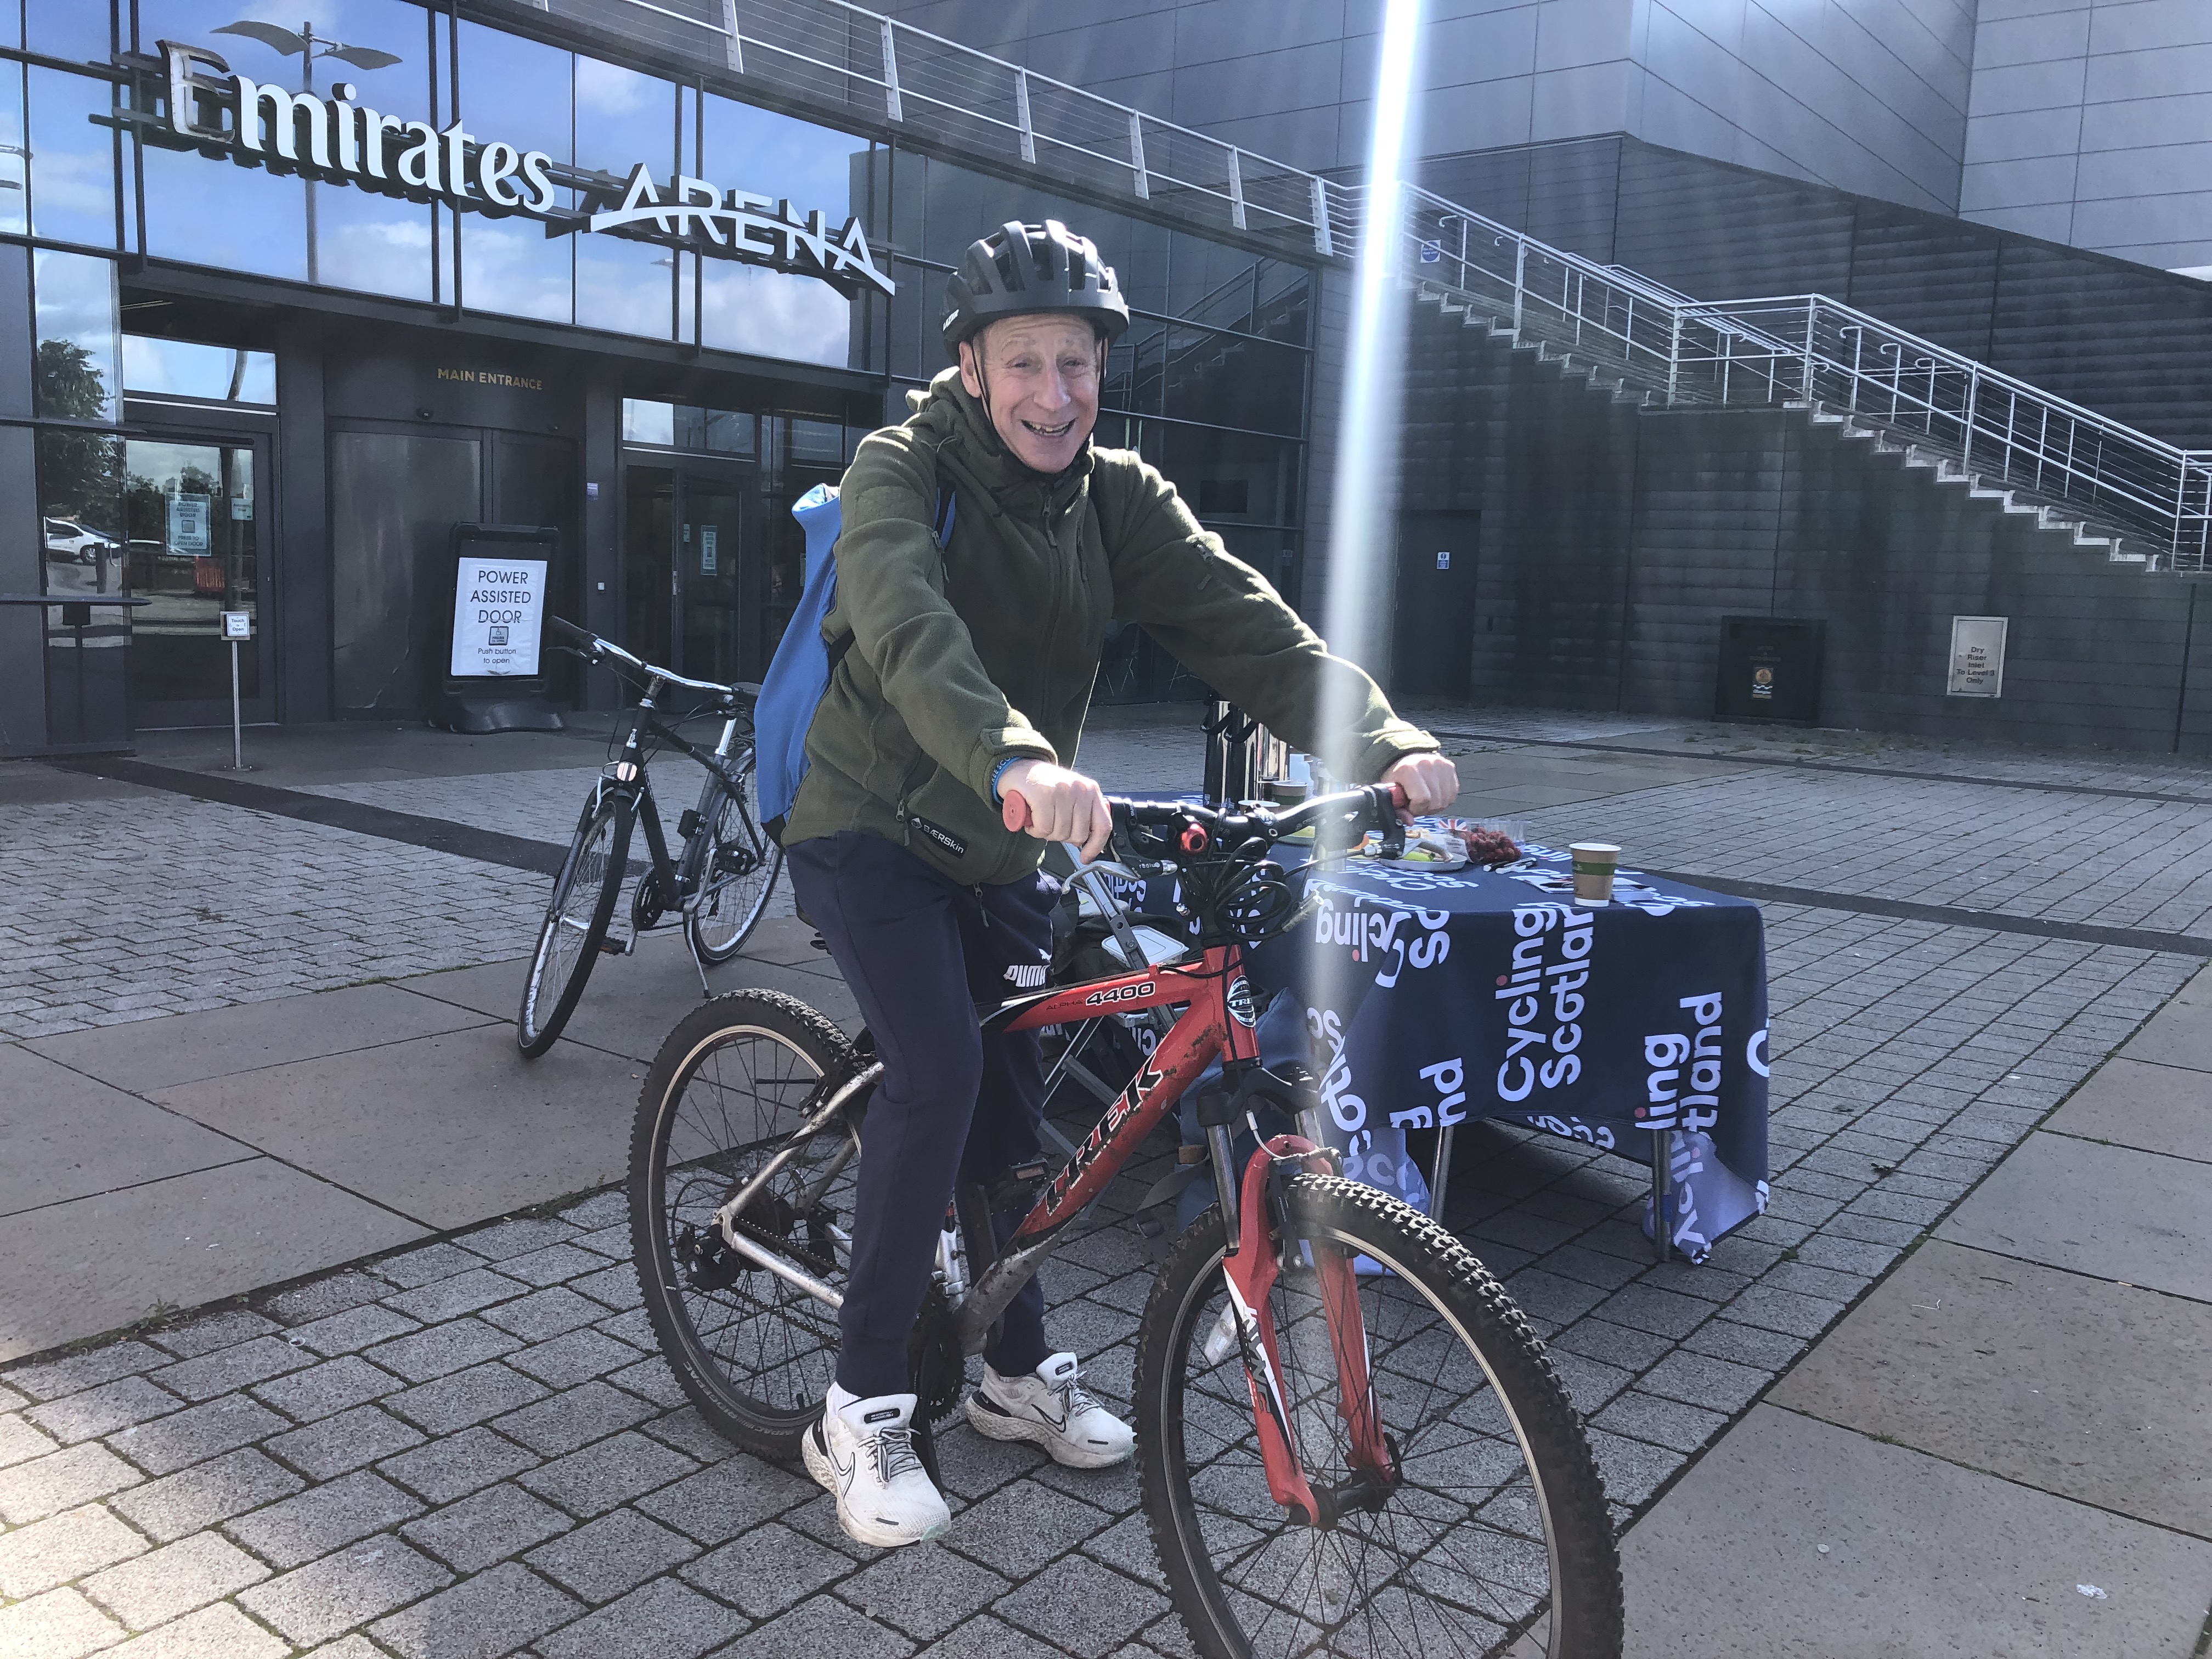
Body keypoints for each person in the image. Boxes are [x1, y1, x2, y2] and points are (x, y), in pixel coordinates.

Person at [781, 219, 1460, 1548]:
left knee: (1018, 1111)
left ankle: (1010, 1371)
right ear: (971, 367)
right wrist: (1018, 757)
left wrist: (1382, 741)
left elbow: (1246, 626)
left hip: (1008, 838)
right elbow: (912, 634)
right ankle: (857, 1405)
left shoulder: (1117, 495)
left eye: (1078, 363)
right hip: (873, 821)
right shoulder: (898, 471)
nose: (1054, 393)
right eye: (1025, 361)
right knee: (938, 1075)